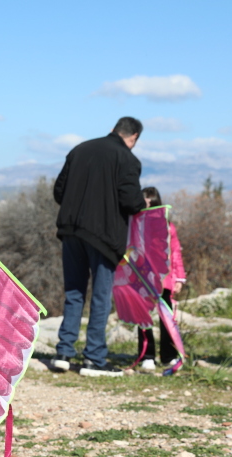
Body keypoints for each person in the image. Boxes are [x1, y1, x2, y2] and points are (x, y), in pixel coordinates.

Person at [51, 117, 147, 377]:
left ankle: (63, 353)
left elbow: (59, 193)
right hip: (104, 238)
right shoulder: (127, 160)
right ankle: (94, 358)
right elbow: (131, 201)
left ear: (115, 129)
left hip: (71, 231)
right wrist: (143, 205)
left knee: (74, 292)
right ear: (134, 137)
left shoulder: (79, 149)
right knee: (101, 297)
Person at [136, 186, 186, 372]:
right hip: (142, 280)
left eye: (151, 203)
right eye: (144, 203)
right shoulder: (135, 226)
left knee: (167, 320)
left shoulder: (168, 227)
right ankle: (147, 356)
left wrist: (179, 278)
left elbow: (175, 253)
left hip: (164, 280)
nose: (148, 207)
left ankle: (168, 355)